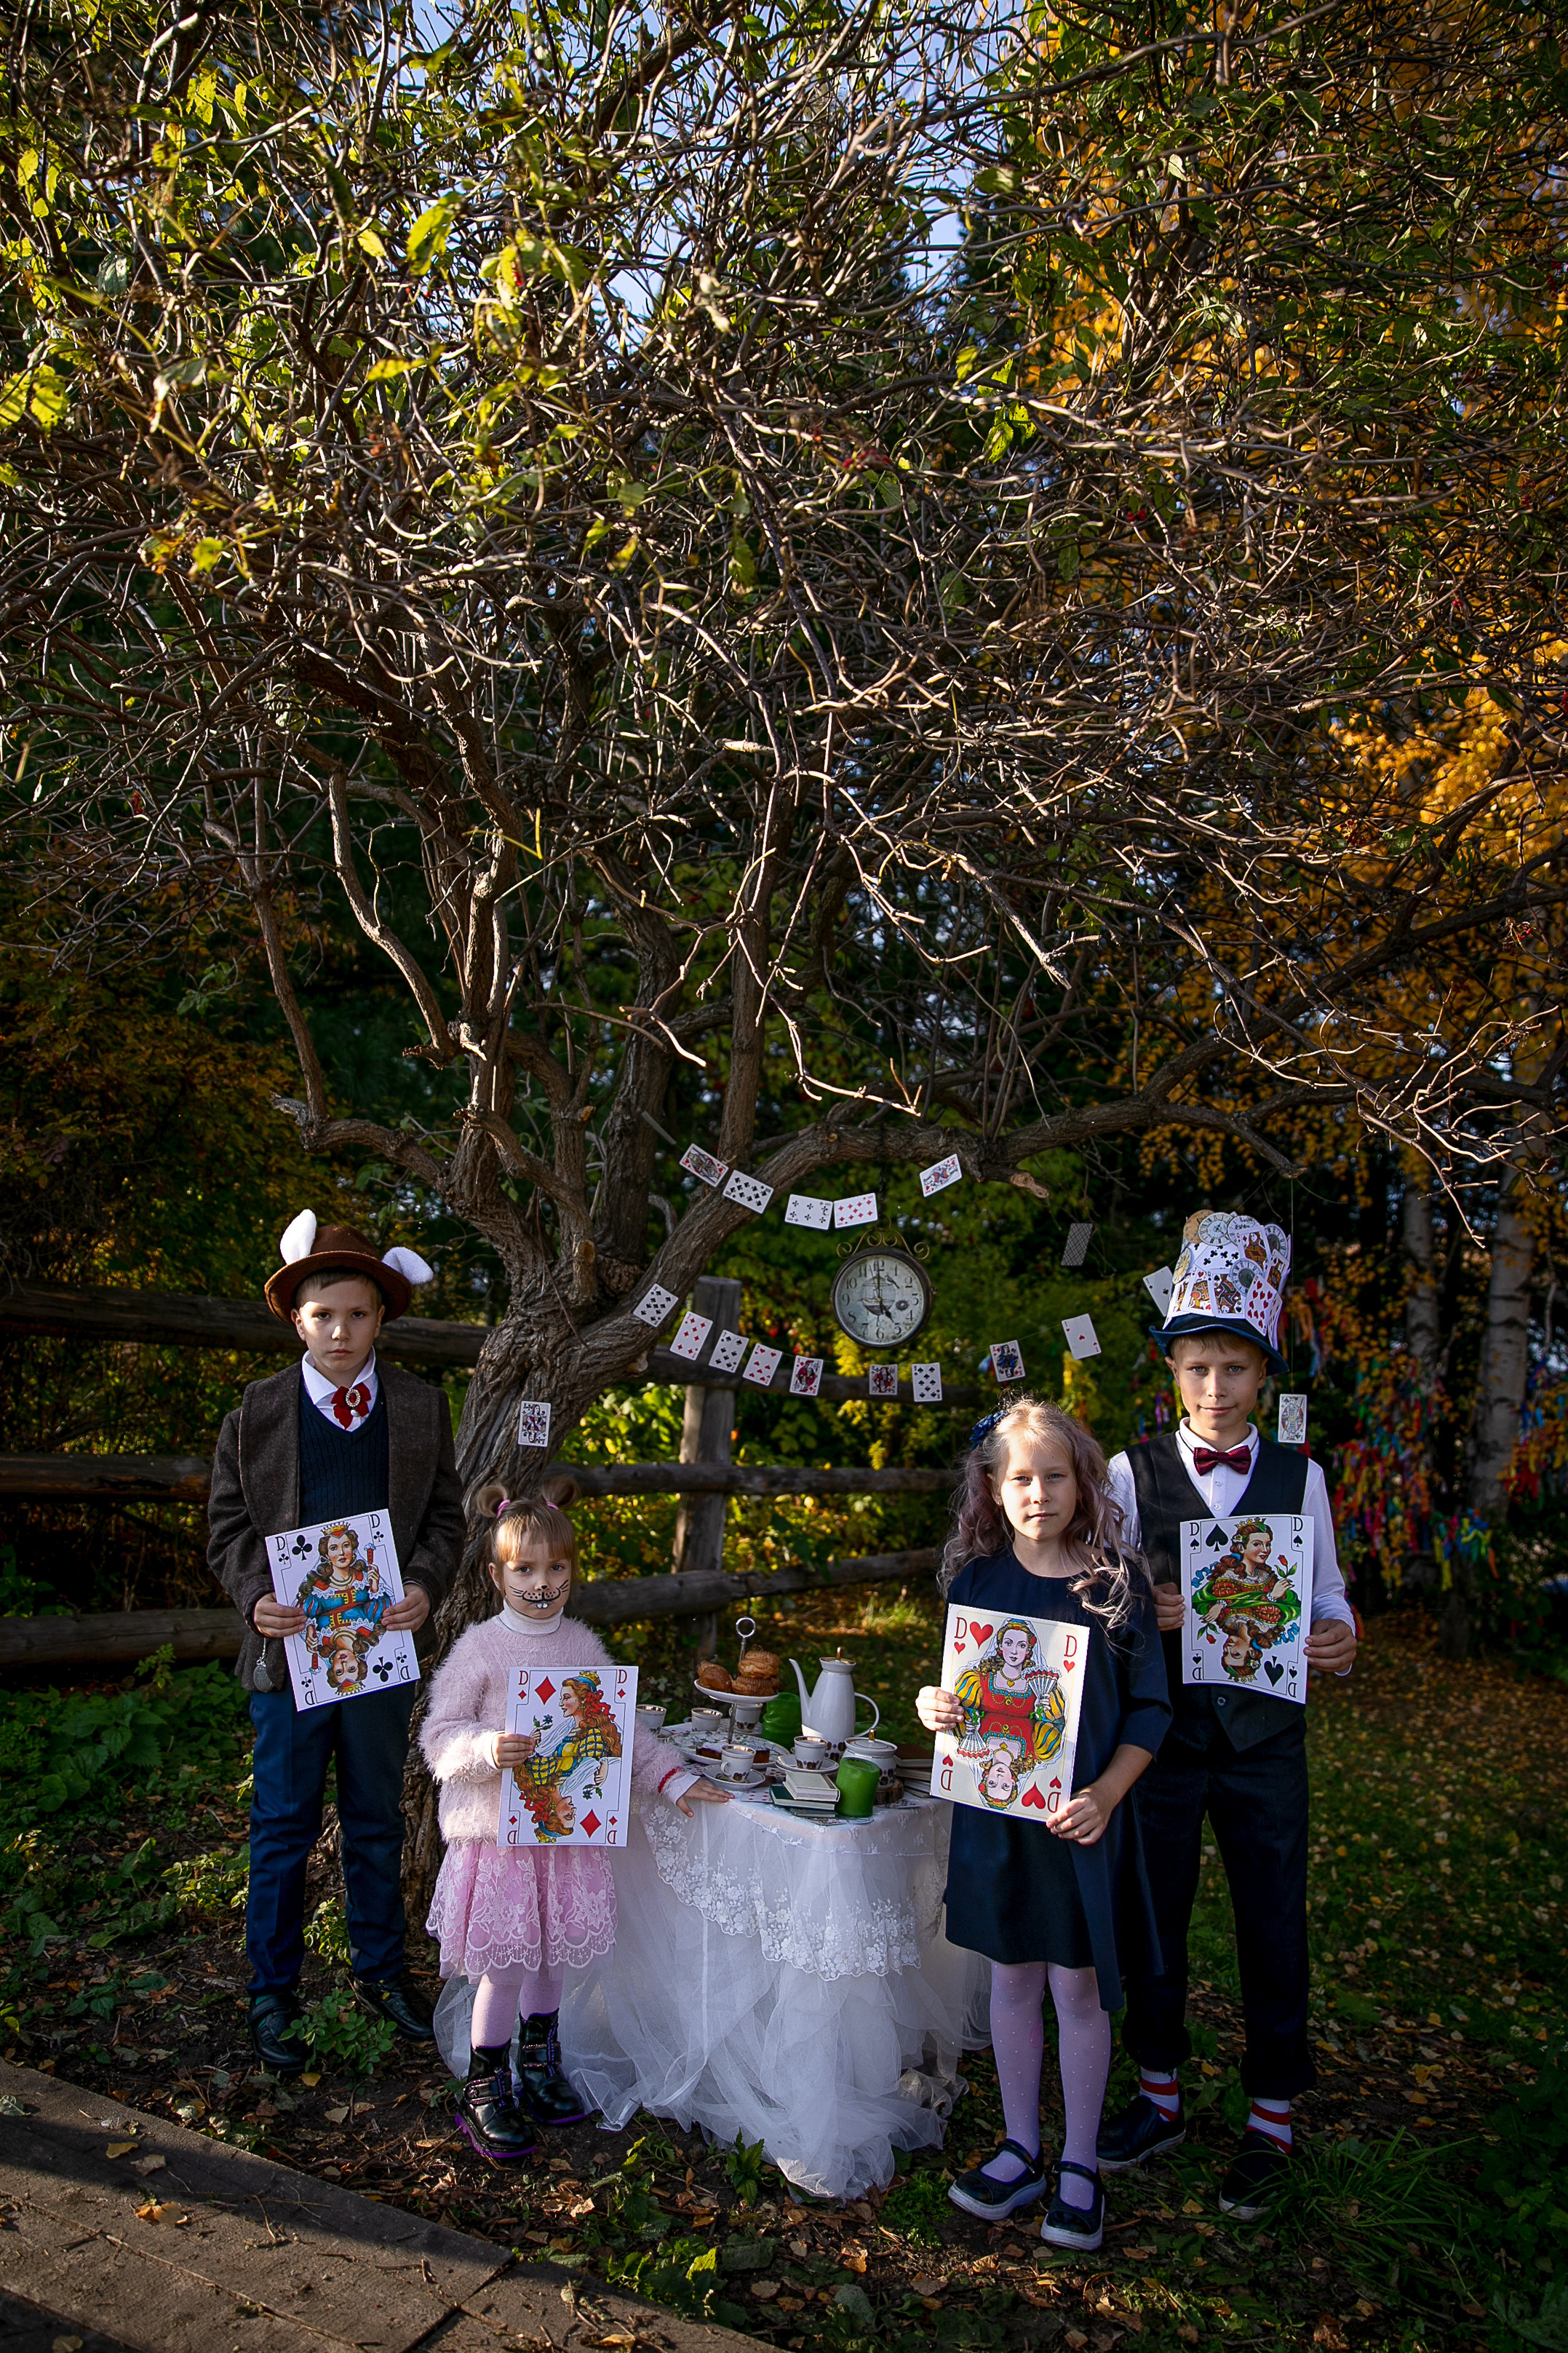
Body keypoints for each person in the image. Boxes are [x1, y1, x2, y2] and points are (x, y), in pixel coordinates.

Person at [1099, 1210, 1358, 2221]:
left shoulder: (1306, 1479)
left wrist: (1338, 1638)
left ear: (1263, 1377)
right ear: (1171, 1371)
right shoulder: (1127, 1476)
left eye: (1232, 1370)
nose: (1213, 1390)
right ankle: (1157, 2095)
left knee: (1270, 1918)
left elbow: (1326, 1599)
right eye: (1195, 1368)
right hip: (1158, 1742)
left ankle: (1269, 2119)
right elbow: (1094, 1596)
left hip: (1262, 1744)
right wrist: (1138, 1610)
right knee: (1153, 1913)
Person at [207, 1210, 464, 2075]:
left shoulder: (422, 1409)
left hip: (380, 1656)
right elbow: (228, 1522)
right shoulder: (259, 1411)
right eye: (325, 1315)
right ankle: (272, 1989)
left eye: (358, 1314)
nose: (342, 1332)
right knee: (281, 1820)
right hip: (288, 1660)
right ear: (296, 1318)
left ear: (382, 1318)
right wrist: (256, 1595)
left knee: (372, 1817)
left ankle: (380, 1971)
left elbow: (444, 1516)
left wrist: (423, 1582)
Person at [917, 1397, 1171, 2253]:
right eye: (1020, 1477)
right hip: (997, 1826)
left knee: (1077, 1987)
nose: (1038, 1492)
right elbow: (961, 1696)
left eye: (1054, 1475)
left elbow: (1150, 1712)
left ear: (1082, 1481)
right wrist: (935, 1706)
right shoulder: (976, 1581)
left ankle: (1081, 2162)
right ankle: (1021, 2143)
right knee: (1012, 1981)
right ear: (991, 1487)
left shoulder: (1115, 1582)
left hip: (1081, 1831)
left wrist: (1105, 1791)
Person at [421, 1481, 731, 2162]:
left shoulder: (582, 1647)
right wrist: (483, 1748)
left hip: (563, 1836)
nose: (542, 1583)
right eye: (525, 1569)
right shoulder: (479, 1649)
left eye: (556, 1568)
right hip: (501, 1840)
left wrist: (672, 1777)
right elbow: (438, 1733)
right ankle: (484, 2085)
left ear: (572, 1572)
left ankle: (538, 2060)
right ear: (496, 1574)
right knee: (503, 1966)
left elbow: (619, 1735)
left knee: (552, 1955)